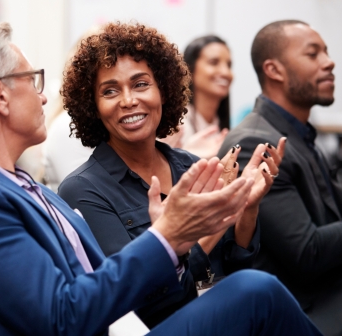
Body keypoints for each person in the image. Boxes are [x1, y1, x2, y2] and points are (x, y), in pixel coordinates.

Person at [0, 22, 321, 336]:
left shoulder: (20, 185)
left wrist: (236, 212)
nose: (43, 97)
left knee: (255, 291)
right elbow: (63, 318)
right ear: (0, 95)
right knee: (255, 293)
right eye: (32, 80)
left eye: (142, 84)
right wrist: (169, 236)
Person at [58, 22, 285, 327]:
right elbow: (140, 300)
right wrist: (203, 230)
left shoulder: (191, 166)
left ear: (163, 90)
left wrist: (247, 208)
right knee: (261, 291)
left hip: (223, 314)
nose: (128, 100)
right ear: (93, 107)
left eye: (140, 84)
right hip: (161, 326)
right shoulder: (82, 189)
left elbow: (236, 263)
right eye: (110, 91)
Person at [219, 20, 342, 336]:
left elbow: (331, 207)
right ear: (274, 70)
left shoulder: (292, 132)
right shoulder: (257, 144)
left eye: (326, 52)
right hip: (307, 309)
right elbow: (308, 252)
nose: (329, 62)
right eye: (313, 54)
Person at [163, 35, 231, 158]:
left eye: (229, 65)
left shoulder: (222, 126)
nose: (226, 72)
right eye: (214, 63)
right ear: (189, 69)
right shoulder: (176, 125)